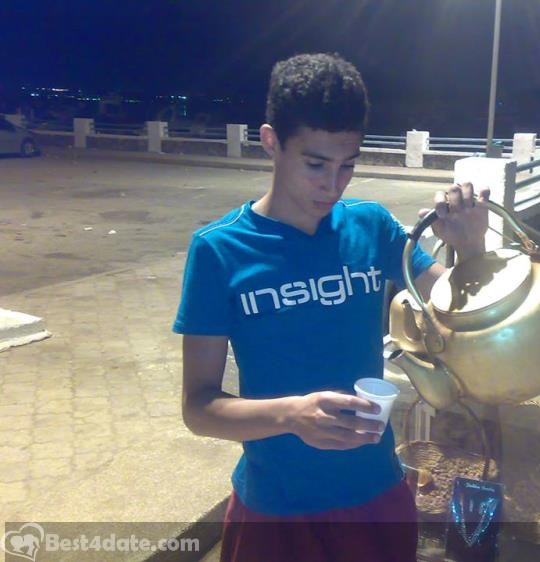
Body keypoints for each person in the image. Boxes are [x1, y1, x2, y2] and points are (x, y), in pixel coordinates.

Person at [173, 52, 489, 562]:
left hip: (376, 494)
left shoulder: (372, 226)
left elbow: (462, 311)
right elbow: (198, 409)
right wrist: (290, 415)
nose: (333, 185)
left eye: (347, 166)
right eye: (315, 164)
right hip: (276, 506)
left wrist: (472, 248)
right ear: (271, 142)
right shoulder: (219, 249)